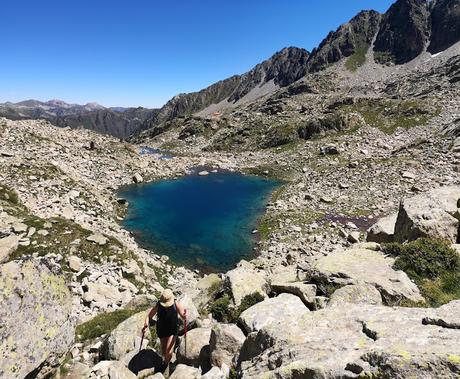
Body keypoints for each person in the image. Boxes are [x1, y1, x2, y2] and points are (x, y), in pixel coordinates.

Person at [143, 289, 186, 370]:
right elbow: (149, 316)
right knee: (163, 349)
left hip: (172, 329)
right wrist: (146, 324)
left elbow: (183, 316)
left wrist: (184, 315)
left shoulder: (175, 303)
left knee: (168, 351)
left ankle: (166, 363)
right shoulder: (158, 304)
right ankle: (165, 360)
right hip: (161, 329)